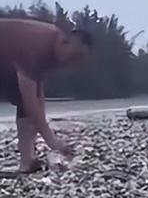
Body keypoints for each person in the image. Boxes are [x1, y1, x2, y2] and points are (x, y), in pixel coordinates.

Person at [0, 18, 92, 172]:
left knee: (28, 108)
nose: (72, 62)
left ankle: (27, 161)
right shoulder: (39, 44)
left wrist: (44, 125)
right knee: (26, 102)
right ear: (67, 42)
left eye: (77, 60)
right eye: (75, 56)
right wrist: (51, 139)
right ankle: (26, 160)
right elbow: (28, 93)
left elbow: (37, 93)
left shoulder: (54, 49)